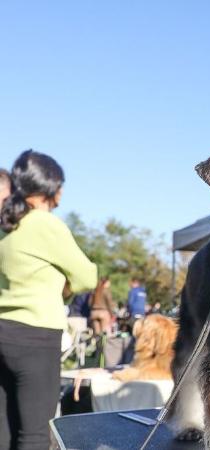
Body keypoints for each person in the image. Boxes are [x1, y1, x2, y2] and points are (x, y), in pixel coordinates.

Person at [0, 150, 97, 450]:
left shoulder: (6, 225)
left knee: (4, 431)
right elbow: (88, 276)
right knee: (34, 435)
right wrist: (64, 284)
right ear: (51, 186)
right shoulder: (45, 224)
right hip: (36, 337)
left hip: (3, 332)